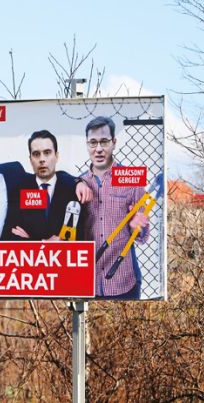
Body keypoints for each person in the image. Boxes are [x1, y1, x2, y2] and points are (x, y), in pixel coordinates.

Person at [80, 116, 150, 299]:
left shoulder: (131, 181)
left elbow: (143, 236)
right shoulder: (79, 183)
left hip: (124, 282)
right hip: (87, 282)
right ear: (87, 144)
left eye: (104, 141)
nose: (99, 149)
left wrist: (137, 226)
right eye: (93, 142)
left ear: (114, 142)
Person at [11, 130, 88, 241]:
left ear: (56, 156)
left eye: (47, 153)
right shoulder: (18, 190)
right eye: (36, 154)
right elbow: (13, 234)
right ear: (30, 159)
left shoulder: (72, 189)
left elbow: (80, 235)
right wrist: (44, 243)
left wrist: (30, 240)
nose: (42, 159)